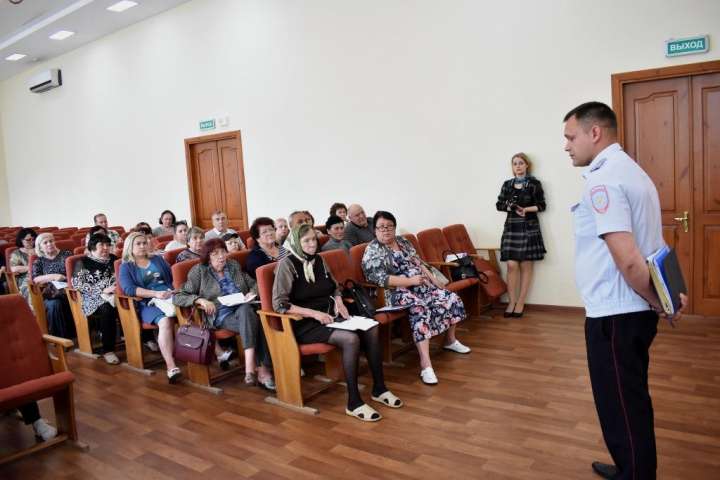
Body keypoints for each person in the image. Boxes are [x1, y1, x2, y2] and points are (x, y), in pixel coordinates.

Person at [563, 101, 688, 480]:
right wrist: (666, 296)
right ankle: (629, 466)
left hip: (616, 314)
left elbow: (630, 260)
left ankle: (634, 473)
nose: (567, 146)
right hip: (630, 311)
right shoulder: (632, 170)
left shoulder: (603, 180)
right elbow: (655, 242)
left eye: (571, 137)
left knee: (620, 405)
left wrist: (659, 302)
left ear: (594, 132)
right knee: (628, 396)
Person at [273, 224, 402, 421]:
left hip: (329, 316)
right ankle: (354, 402)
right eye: (306, 241)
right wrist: (314, 314)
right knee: (350, 339)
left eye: (313, 239)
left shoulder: (319, 260)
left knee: (372, 327)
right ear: (297, 243)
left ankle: (379, 388)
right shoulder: (287, 265)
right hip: (304, 323)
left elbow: (334, 287)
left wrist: (339, 300)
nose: (312, 244)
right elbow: (280, 305)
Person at [362, 211, 470, 385]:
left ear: (394, 227)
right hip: (395, 292)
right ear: (374, 230)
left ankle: (450, 341)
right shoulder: (372, 250)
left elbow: (418, 262)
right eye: (381, 227)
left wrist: (434, 279)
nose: (386, 230)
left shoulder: (403, 241)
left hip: (420, 284)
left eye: (389, 226)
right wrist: (410, 281)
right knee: (420, 308)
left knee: (450, 297)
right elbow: (380, 279)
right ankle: (426, 364)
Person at [174, 238, 275, 389]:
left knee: (246, 311)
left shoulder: (232, 265)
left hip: (242, 307)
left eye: (222, 252)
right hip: (220, 314)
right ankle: (262, 369)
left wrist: (252, 293)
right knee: (256, 322)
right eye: (215, 254)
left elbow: (254, 284)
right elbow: (179, 296)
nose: (221, 256)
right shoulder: (199, 271)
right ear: (207, 256)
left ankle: (251, 368)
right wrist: (200, 300)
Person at [119, 232, 181, 383]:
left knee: (194, 311)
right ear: (130, 247)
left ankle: (215, 354)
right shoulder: (126, 266)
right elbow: (129, 289)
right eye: (138, 244)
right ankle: (171, 366)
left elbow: (172, 277)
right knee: (165, 321)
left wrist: (174, 290)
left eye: (144, 243)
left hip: (169, 297)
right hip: (147, 303)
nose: (142, 246)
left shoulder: (157, 259)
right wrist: (155, 294)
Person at [495, 152, 547, 317]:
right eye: (515, 163)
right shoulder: (507, 184)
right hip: (511, 227)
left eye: (521, 163)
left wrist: (526, 209)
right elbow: (499, 204)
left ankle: (520, 302)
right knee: (511, 265)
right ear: (512, 167)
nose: (518, 166)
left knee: (526, 265)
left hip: (529, 227)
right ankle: (511, 301)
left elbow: (542, 205)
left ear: (526, 165)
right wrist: (510, 207)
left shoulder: (534, 184)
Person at [70, 233, 120, 364]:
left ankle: (145, 339)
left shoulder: (114, 258)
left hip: (115, 293)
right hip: (92, 296)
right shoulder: (83, 262)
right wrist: (102, 290)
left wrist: (115, 287)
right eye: (101, 245)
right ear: (92, 247)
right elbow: (77, 284)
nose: (106, 248)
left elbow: (121, 276)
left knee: (133, 302)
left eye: (108, 245)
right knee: (107, 309)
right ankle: (108, 350)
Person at [31, 233, 75, 339]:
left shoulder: (67, 254)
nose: (49, 244)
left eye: (51, 241)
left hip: (69, 287)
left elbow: (76, 270)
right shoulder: (39, 261)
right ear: (40, 246)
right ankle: (60, 339)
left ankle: (75, 333)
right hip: (51, 292)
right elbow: (36, 279)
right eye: (45, 242)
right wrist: (53, 276)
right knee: (54, 304)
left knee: (67, 299)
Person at [9, 227, 37, 300]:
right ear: (21, 240)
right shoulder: (17, 253)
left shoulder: (39, 250)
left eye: (33, 239)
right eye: (28, 240)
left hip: (42, 275)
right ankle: (33, 307)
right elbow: (13, 269)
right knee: (31, 289)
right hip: (25, 278)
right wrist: (31, 267)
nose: (32, 242)